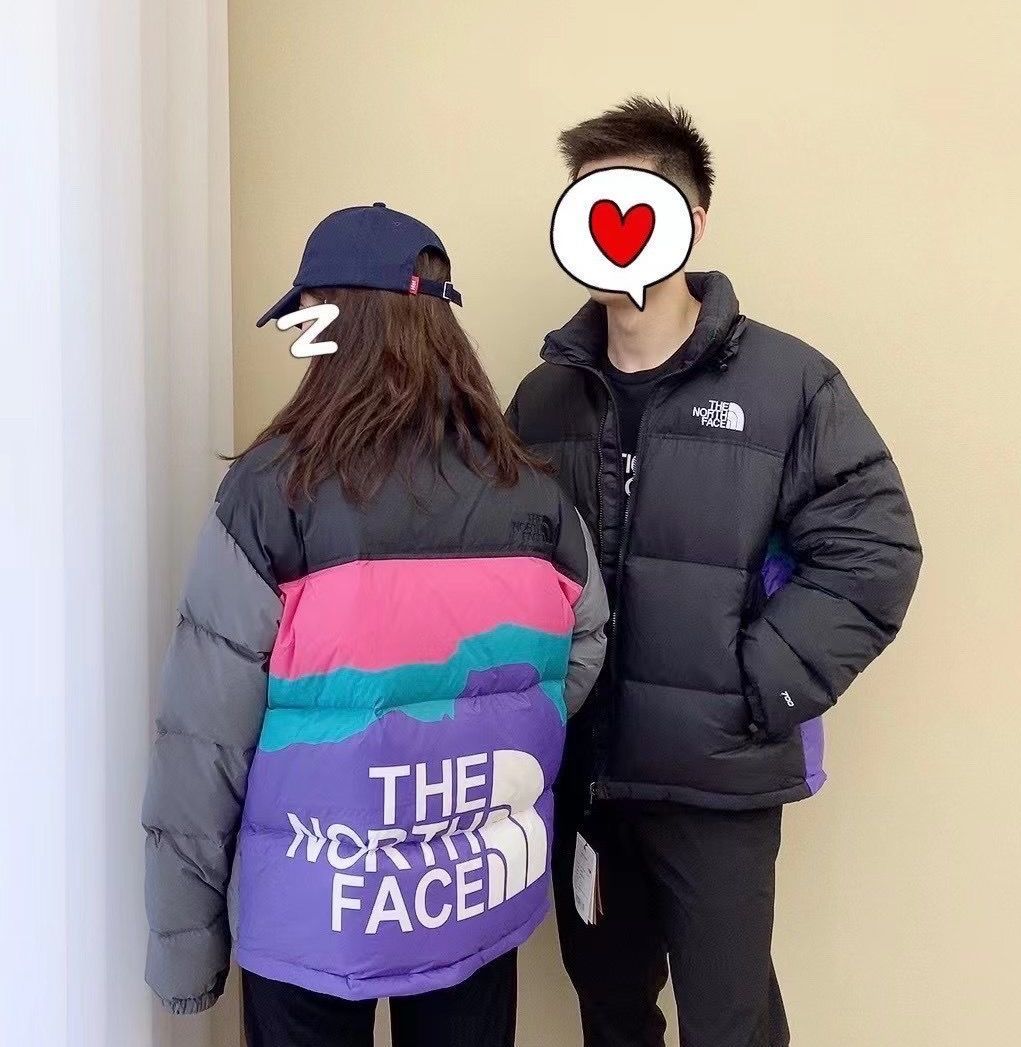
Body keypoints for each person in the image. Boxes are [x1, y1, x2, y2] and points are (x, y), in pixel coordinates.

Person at [507, 98, 923, 1047]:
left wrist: (753, 684)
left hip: (718, 785)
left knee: (729, 1026)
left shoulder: (788, 383)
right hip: (587, 777)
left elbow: (875, 550)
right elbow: (511, 563)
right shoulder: (544, 396)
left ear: (691, 223)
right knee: (610, 1014)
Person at [142, 203, 608, 1047]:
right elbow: (583, 642)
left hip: (314, 912)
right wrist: (483, 731)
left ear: (334, 324)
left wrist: (185, 951)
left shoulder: (271, 493)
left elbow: (203, 738)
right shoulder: (532, 491)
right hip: (469, 899)